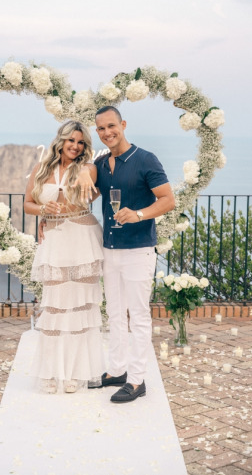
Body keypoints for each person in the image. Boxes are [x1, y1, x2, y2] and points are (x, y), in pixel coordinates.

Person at [79, 106, 175, 403]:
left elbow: (168, 200)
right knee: (116, 314)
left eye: (111, 126)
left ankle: (136, 380)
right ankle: (117, 370)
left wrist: (139, 214)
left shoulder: (146, 159)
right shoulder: (100, 161)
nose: (107, 132)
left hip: (138, 250)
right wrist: (84, 169)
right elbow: (88, 185)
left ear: (122, 124)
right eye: (101, 129)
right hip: (110, 250)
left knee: (139, 316)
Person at [24, 120, 104, 394]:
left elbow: (91, 175)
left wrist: (84, 169)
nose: (75, 146)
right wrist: (43, 209)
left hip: (83, 238)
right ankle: (50, 371)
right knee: (55, 307)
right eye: (71, 140)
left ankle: (76, 373)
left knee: (82, 307)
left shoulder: (87, 168)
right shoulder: (41, 169)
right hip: (55, 241)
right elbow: (27, 205)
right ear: (61, 140)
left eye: (81, 142)